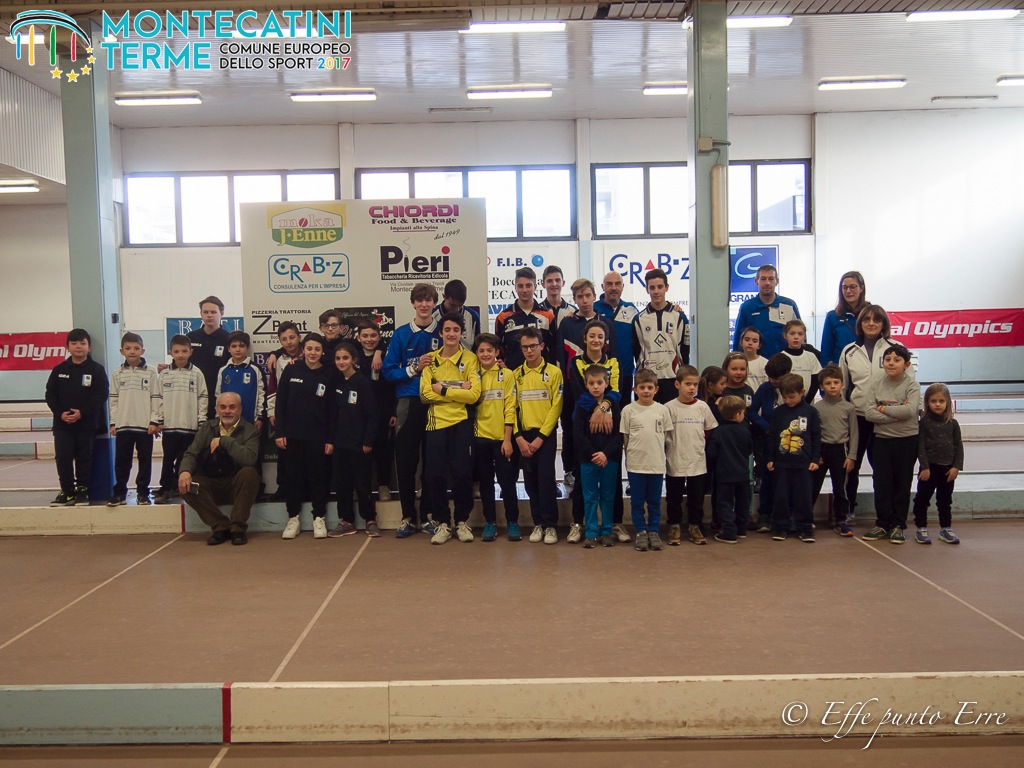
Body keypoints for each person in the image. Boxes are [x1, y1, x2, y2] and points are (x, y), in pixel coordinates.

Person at [839, 304, 915, 525]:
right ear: (860, 324)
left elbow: (909, 383)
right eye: (866, 320)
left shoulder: (896, 347)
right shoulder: (849, 351)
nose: (871, 323)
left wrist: (896, 412)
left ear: (884, 324)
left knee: (885, 470)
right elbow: (844, 386)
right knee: (850, 465)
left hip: (886, 420)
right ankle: (849, 508)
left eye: (876, 320)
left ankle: (890, 513)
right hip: (859, 418)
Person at [382, 283, 442, 537]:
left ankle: (429, 516)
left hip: (436, 403)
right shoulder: (401, 334)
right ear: (413, 304)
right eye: (420, 300)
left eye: (428, 300)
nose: (424, 305)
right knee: (406, 462)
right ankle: (407, 516)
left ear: (434, 303)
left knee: (432, 463)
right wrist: (413, 370)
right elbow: (388, 371)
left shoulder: (444, 332)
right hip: (408, 401)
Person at [564, 318, 629, 544]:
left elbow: (616, 390)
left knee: (611, 487)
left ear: (606, 339)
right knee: (584, 485)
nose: (596, 340)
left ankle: (612, 526)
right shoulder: (576, 363)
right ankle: (580, 524)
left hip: (609, 417)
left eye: (600, 336)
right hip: (586, 421)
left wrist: (605, 407)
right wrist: (596, 411)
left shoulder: (613, 362)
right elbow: (579, 392)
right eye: (592, 336)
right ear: (584, 338)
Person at [420, 313, 481, 544]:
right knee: (434, 475)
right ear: (441, 333)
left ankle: (462, 521)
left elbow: (474, 395)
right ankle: (443, 523)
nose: (452, 334)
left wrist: (443, 390)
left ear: (462, 333)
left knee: (462, 474)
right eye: (447, 330)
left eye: (456, 330)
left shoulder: (470, 359)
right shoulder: (430, 360)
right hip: (436, 423)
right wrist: (458, 390)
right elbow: (425, 394)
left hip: (461, 423)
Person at [179, 392, 261, 546]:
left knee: (249, 473)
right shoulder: (207, 428)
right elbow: (191, 453)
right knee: (188, 486)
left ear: (240, 409)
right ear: (216, 409)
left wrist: (225, 441)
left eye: (232, 407)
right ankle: (220, 526)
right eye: (222, 407)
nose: (227, 411)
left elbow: (249, 459)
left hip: (236, 487)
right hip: (210, 485)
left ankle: (238, 528)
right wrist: (184, 471)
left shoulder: (251, 431)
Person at [275, 333, 333, 540]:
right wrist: (280, 432)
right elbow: (280, 403)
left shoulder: (329, 373)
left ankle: (319, 517)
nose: (313, 353)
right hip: (292, 436)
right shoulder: (291, 369)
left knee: (319, 478)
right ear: (303, 349)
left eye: (317, 349)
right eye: (309, 349)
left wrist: (330, 438)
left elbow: (332, 410)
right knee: (293, 478)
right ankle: (293, 518)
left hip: (318, 436)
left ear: (322, 351)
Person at [861, 344, 920, 545]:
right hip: (882, 441)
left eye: (896, 360)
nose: (891, 363)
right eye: (887, 359)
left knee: (902, 484)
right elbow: (869, 413)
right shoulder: (876, 383)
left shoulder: (912, 385)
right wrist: (895, 414)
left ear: (906, 364)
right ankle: (882, 524)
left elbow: (910, 412)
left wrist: (883, 409)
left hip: (907, 440)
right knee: (882, 483)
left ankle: (898, 525)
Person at [46, 328, 109, 506]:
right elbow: (50, 395)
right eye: (74, 343)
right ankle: (66, 491)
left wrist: (82, 413)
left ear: (89, 347)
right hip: (62, 425)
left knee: (84, 457)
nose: (78, 347)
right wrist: (60, 413)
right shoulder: (59, 370)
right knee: (63, 457)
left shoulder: (96, 370)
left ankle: (82, 491)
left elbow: (101, 394)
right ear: (67, 347)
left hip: (86, 424)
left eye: (82, 343)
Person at [514, 326, 563, 545]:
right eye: (525, 347)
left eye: (533, 346)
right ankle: (537, 523)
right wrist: (519, 438)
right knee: (530, 482)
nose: (529, 351)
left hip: (545, 435)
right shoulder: (516, 375)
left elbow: (556, 407)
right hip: (524, 437)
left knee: (545, 479)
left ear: (541, 346)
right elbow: (511, 408)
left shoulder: (554, 372)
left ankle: (550, 525)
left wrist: (541, 437)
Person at [329, 341, 381, 539]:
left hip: (360, 445)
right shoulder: (337, 383)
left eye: (345, 358)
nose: (341, 362)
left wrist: (368, 441)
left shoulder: (362, 382)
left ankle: (370, 519)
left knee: (363, 483)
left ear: (354, 360)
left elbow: (373, 415)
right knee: (342, 484)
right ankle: (346, 521)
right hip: (340, 443)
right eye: (338, 358)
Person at [472, 333, 521, 542]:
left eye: (489, 350)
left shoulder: (507, 374)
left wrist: (508, 439)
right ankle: (490, 523)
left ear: (497, 352)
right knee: (485, 483)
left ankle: (512, 522)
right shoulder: (471, 376)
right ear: (476, 353)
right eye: (481, 350)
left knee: (507, 482)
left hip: (502, 439)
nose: (485, 354)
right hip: (479, 438)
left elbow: (511, 407)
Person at [664, 364, 717, 546]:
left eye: (695, 384)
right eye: (688, 384)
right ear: (677, 385)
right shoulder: (669, 408)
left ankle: (695, 526)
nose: (692, 388)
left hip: (697, 462)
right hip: (675, 460)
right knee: (674, 498)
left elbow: (709, 431)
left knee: (696, 498)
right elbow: (664, 434)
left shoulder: (702, 407)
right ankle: (674, 526)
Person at [621, 369, 672, 551]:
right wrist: (629, 460)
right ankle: (641, 531)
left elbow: (666, 438)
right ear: (635, 389)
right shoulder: (628, 410)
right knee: (636, 501)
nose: (646, 391)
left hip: (656, 465)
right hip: (636, 465)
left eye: (650, 387)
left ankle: (653, 531)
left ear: (656, 389)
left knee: (654, 501)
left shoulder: (662, 410)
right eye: (642, 387)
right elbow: (626, 439)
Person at [153, 334, 208, 504]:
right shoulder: (165, 374)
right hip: (170, 427)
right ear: (171, 352)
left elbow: (203, 397)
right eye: (177, 351)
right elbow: (158, 398)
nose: (181, 355)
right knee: (167, 459)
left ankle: (179, 486)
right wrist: (158, 420)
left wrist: (201, 420)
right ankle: (165, 488)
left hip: (190, 427)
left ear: (191, 352)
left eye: (184, 351)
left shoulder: (197, 373)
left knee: (185, 459)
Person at [766, 373, 821, 543]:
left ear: (802, 392)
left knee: (803, 497)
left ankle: (805, 528)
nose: (788, 400)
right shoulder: (778, 412)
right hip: (782, 463)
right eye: (784, 397)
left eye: (791, 396)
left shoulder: (811, 412)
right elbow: (772, 436)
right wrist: (770, 458)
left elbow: (816, 437)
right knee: (781, 497)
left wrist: (814, 459)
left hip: (804, 464)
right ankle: (781, 527)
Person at [108, 332, 161, 506]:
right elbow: (113, 400)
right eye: (128, 348)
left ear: (142, 350)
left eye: (136, 348)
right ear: (121, 351)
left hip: (145, 427)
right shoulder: (117, 373)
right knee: (122, 462)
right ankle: (120, 493)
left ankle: (143, 493)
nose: (132, 351)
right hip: (123, 426)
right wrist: (114, 422)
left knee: (145, 462)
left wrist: (154, 421)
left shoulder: (152, 372)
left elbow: (156, 398)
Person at [574, 365, 623, 548]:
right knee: (590, 496)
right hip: (588, 460)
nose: (596, 386)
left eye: (599, 382)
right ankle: (591, 532)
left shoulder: (614, 405)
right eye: (591, 383)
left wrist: (606, 454)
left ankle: (607, 531)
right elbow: (578, 434)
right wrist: (594, 454)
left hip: (609, 459)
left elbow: (620, 434)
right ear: (586, 385)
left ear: (607, 383)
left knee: (608, 495)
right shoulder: (581, 406)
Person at [912, 383, 963, 545]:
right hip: (929, 469)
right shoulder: (924, 424)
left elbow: (959, 446)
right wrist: (925, 467)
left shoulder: (953, 424)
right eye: (933, 401)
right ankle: (921, 528)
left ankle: (945, 528)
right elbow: (920, 447)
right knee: (922, 499)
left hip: (948, 470)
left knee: (945, 500)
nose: (938, 404)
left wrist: (956, 467)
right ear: (927, 402)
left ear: (947, 402)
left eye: (941, 401)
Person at [812, 365, 858, 537]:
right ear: (822, 387)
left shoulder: (849, 408)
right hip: (822, 451)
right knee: (813, 486)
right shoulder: (817, 408)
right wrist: (815, 456)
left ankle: (841, 520)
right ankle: (806, 517)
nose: (832, 386)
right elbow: (814, 433)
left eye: (836, 382)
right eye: (828, 383)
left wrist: (852, 456)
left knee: (840, 488)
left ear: (842, 385)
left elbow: (854, 434)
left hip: (840, 451)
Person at [632, 268, 690, 404]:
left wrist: (683, 377)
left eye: (660, 287)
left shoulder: (679, 317)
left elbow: (685, 349)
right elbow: (637, 351)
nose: (656, 291)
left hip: (673, 378)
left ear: (666, 287)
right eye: (652, 287)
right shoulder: (639, 319)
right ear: (647, 289)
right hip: (648, 381)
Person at [749, 353, 793, 532]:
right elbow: (751, 412)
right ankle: (765, 515)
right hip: (768, 440)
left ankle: (784, 515)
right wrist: (765, 426)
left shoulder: (793, 389)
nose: (772, 381)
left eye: (776, 378)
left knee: (786, 480)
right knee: (767, 478)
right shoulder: (765, 389)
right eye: (770, 377)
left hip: (789, 441)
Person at [355, 318, 396, 501]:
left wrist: (393, 411)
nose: (369, 339)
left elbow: (393, 386)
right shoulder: (351, 355)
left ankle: (383, 485)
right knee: (360, 454)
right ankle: (360, 488)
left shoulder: (388, 355)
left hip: (383, 413)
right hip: (359, 415)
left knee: (383, 451)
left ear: (379, 337)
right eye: (365, 336)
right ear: (358, 338)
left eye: (373, 335)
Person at [707, 396, 753, 544]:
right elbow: (749, 450)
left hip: (724, 475)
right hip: (743, 474)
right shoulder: (745, 431)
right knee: (742, 503)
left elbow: (712, 453)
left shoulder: (718, 432)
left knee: (725, 504)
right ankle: (741, 529)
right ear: (738, 414)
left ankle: (729, 531)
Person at [266, 321, 303, 501]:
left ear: (299, 337)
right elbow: (273, 387)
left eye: (292, 337)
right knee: (283, 451)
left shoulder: (310, 354)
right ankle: (283, 487)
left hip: (307, 412)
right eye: (284, 339)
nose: (289, 342)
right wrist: (272, 412)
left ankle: (306, 488)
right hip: (285, 412)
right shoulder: (278, 360)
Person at [732, 265, 801, 358]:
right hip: (757, 364)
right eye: (763, 279)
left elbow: (801, 335)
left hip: (786, 363)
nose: (767, 283)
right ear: (756, 281)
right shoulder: (747, 307)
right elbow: (738, 340)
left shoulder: (789, 305)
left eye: (771, 279)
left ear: (777, 281)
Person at [495, 266, 556, 370]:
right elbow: (498, 347)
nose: (524, 290)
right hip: (513, 375)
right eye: (520, 286)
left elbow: (554, 348)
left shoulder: (548, 316)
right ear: (515, 287)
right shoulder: (503, 317)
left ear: (535, 287)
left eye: (528, 285)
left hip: (542, 375)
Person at [595, 271, 640, 403]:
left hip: (625, 373)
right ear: (603, 287)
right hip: (600, 374)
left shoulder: (631, 309)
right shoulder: (594, 308)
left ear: (623, 286)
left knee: (624, 414)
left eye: (617, 284)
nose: (613, 288)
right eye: (609, 284)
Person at [186, 296, 231, 420]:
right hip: (193, 395)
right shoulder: (191, 337)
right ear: (201, 314)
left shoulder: (228, 339)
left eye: (213, 312)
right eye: (205, 312)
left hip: (217, 396)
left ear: (221, 313)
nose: (209, 315)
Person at [215, 331, 266, 431]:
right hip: (227, 422)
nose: (238, 349)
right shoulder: (223, 370)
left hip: (250, 420)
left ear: (247, 348)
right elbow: (218, 395)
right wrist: (218, 416)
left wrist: (260, 417)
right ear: (228, 349)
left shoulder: (255, 369)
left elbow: (262, 394)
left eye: (241, 346)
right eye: (234, 346)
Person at [821, 271, 867, 366]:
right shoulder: (833, 316)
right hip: (841, 369)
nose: (848, 291)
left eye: (853, 287)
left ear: (861, 288)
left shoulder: (871, 314)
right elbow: (826, 350)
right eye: (845, 287)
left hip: (866, 367)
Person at [432, 279, 481, 349]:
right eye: (453, 305)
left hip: (467, 359)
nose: (457, 309)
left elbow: (478, 345)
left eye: (460, 305)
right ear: (444, 296)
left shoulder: (473, 316)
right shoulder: (432, 315)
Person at [781, 319, 821, 403]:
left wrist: (806, 402)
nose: (796, 337)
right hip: (786, 404)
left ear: (805, 336)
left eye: (800, 334)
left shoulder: (811, 357)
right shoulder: (781, 357)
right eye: (792, 333)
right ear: (785, 335)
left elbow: (815, 382)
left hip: (807, 403)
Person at [538, 265, 576, 352]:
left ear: (563, 283)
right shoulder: (537, 311)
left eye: (557, 280)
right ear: (543, 284)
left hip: (566, 360)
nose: (554, 284)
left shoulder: (573, 311)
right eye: (549, 281)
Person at [739, 326, 768, 391]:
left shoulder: (765, 363)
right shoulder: (734, 362)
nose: (750, 343)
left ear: (759, 345)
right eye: (747, 340)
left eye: (754, 341)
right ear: (741, 342)